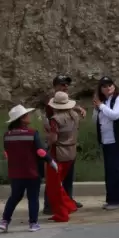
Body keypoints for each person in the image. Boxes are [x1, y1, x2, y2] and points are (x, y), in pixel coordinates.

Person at [0, 105, 56, 233]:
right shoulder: (32, 133)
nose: (29, 116)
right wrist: (50, 161)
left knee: (14, 197)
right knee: (33, 198)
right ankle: (33, 223)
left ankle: (5, 221)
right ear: (22, 119)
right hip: (32, 172)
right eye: (26, 115)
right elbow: (40, 151)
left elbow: (7, 152)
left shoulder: (7, 135)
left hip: (15, 173)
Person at [43, 74, 86, 213]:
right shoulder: (51, 104)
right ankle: (50, 204)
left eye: (67, 84)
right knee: (54, 177)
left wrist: (77, 108)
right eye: (62, 84)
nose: (65, 87)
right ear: (55, 86)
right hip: (58, 145)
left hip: (68, 146)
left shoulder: (65, 101)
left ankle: (67, 200)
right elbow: (54, 123)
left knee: (66, 176)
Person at [93, 76, 119, 210]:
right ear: (101, 89)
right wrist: (96, 108)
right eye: (104, 86)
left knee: (115, 168)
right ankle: (111, 199)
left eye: (110, 85)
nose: (108, 87)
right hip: (106, 140)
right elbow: (95, 120)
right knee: (109, 170)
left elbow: (115, 115)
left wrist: (101, 106)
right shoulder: (103, 102)